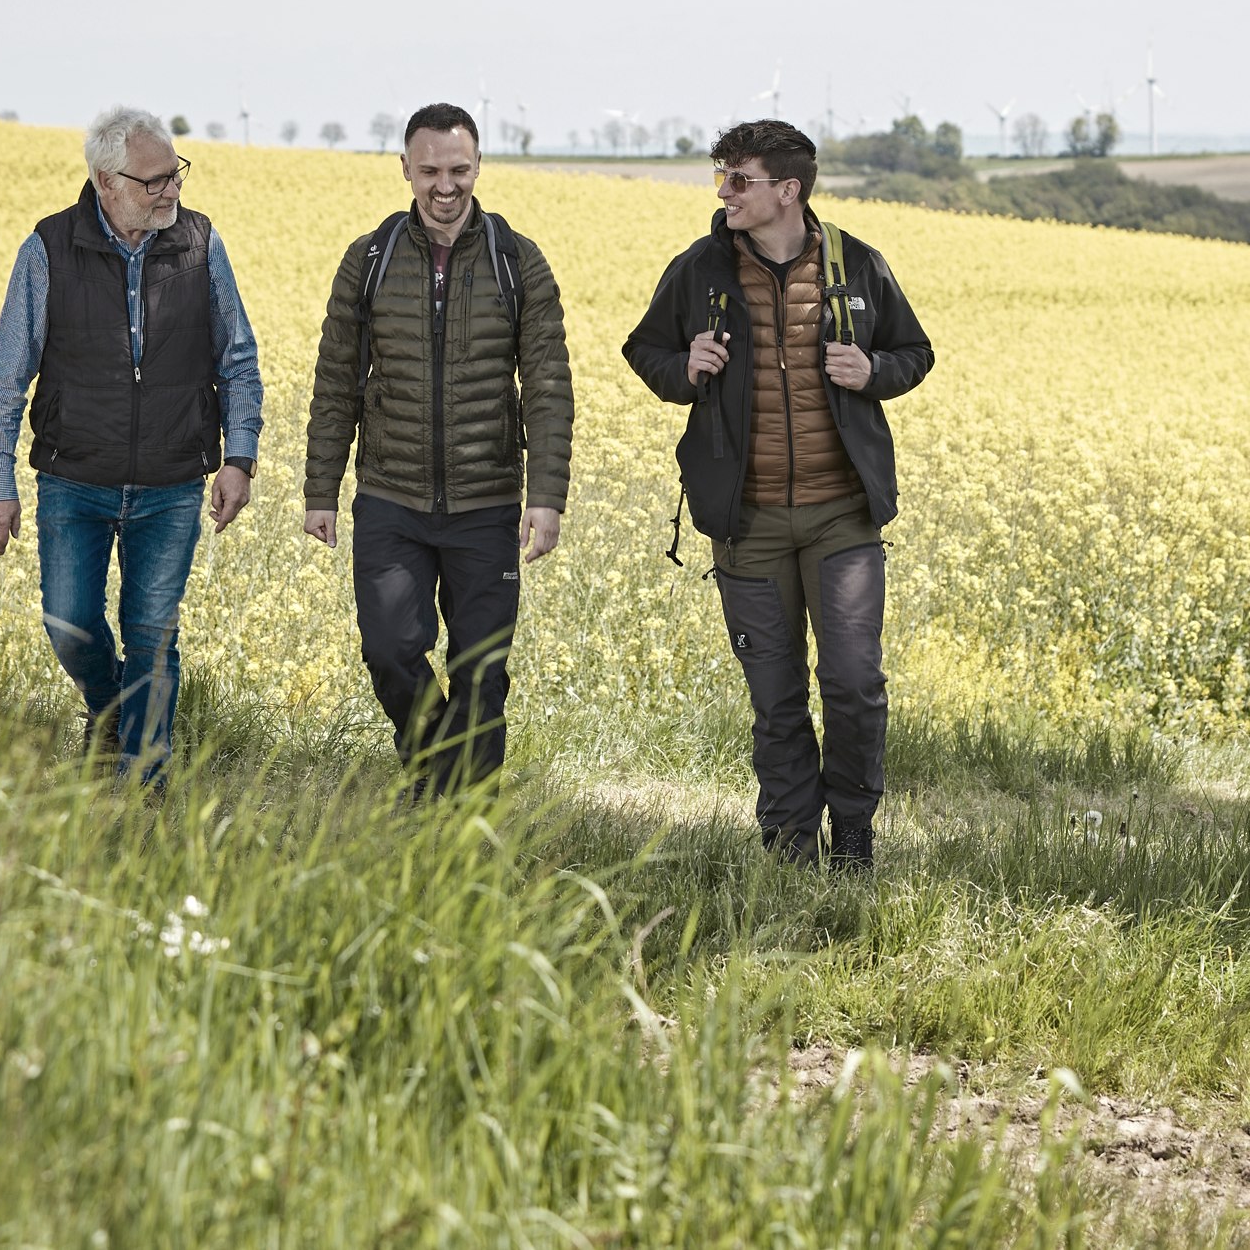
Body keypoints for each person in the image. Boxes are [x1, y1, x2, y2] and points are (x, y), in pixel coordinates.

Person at [622, 120, 934, 869]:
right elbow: (644, 349)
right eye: (721, 177)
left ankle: (852, 835)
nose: (723, 193)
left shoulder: (857, 264)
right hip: (748, 521)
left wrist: (874, 371)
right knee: (776, 695)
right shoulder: (699, 269)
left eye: (740, 179)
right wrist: (684, 366)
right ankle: (790, 846)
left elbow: (915, 351)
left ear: (788, 190)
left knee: (854, 683)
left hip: (842, 517)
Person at [0, 105, 263, 781]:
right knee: (68, 623)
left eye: (176, 174)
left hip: (171, 479)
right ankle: (110, 712)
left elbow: (238, 359)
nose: (171, 190)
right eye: (154, 180)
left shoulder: (200, 244)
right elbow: (7, 372)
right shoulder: (48, 248)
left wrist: (239, 457)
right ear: (106, 181)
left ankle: (142, 781)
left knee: (152, 633)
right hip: (74, 478)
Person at [304, 102, 572, 795]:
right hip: (391, 497)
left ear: (479, 167)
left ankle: (464, 813)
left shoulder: (517, 261)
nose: (444, 186)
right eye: (429, 171)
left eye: (458, 170)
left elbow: (547, 384)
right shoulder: (370, 259)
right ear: (405, 169)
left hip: (486, 502)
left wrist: (546, 496)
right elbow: (336, 379)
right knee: (390, 650)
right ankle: (433, 770)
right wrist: (320, 489)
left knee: (481, 668)